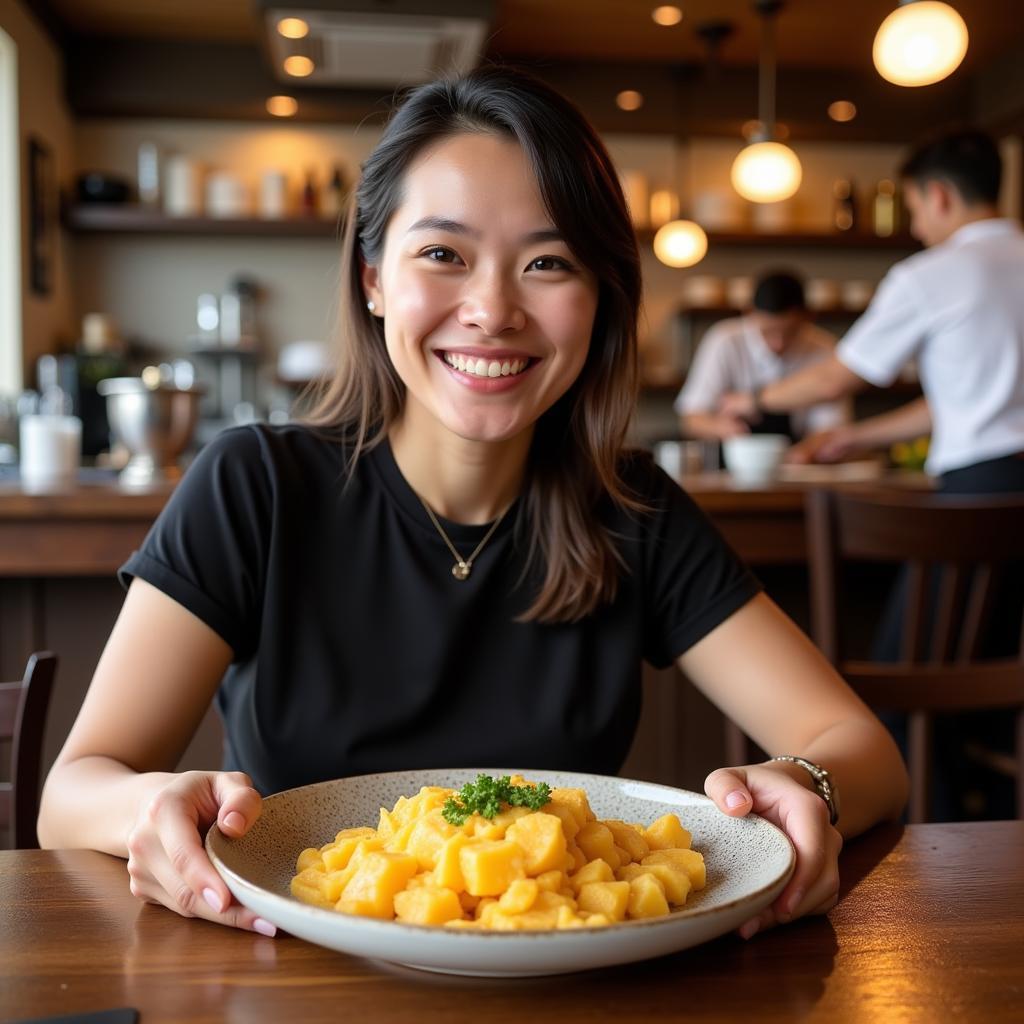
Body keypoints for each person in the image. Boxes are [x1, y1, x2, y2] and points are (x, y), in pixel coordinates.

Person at [37, 66, 907, 940]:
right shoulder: (255, 484)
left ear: (600, 299)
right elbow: (76, 789)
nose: (492, 310)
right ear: (374, 279)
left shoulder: (631, 507)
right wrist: (146, 806)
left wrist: (807, 785)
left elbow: (859, 747)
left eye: (548, 262)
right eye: (443, 254)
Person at [719, 129, 1024, 494]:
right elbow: (961, 402)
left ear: (940, 196)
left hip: (984, 486)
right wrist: (855, 437)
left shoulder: (931, 273)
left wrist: (754, 400)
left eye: (914, 209)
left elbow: (834, 380)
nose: (917, 228)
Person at [675, 271, 849, 443]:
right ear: (750, 313)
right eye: (768, 331)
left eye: (790, 332)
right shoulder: (725, 340)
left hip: (800, 459)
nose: (778, 343)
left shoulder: (826, 350)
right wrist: (722, 428)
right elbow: (692, 418)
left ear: (808, 317)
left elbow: (831, 428)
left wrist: (804, 452)